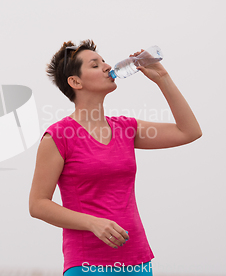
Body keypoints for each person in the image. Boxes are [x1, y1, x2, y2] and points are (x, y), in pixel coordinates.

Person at [29, 40, 202, 275]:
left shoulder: (125, 129)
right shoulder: (58, 136)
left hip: (137, 261)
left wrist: (162, 78)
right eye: (94, 65)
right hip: (87, 264)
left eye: (103, 61)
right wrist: (92, 222)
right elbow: (38, 205)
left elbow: (189, 132)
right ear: (75, 81)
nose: (106, 66)